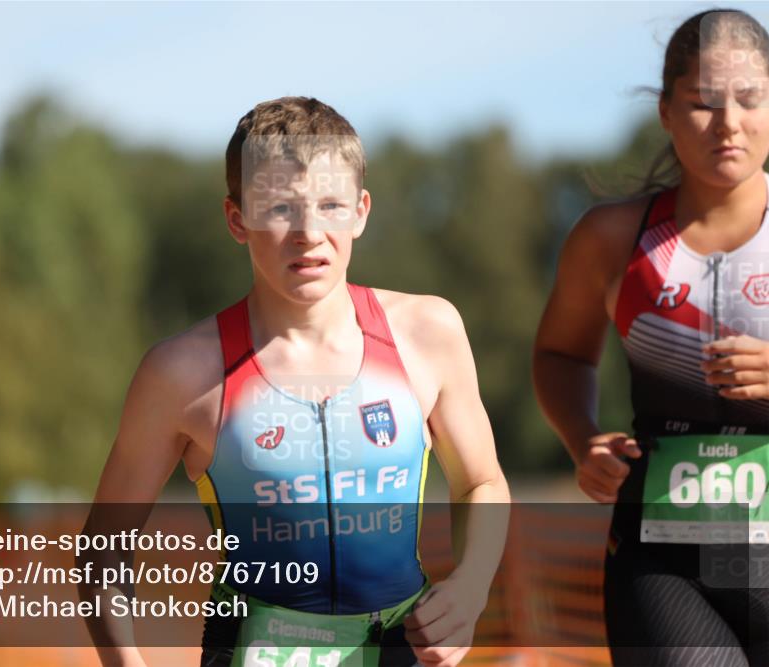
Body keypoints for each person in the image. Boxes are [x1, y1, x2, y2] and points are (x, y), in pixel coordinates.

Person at [78, 96, 510, 667]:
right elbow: (102, 554)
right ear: (238, 219)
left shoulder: (427, 333)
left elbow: (482, 481)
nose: (309, 233)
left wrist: (472, 588)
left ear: (361, 211)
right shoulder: (181, 372)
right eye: (280, 207)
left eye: (329, 205)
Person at [533, 9, 769, 666]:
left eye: (750, 99)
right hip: (662, 561)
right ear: (666, 111)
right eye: (702, 102)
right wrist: (583, 437)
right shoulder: (610, 238)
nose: (728, 123)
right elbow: (560, 353)